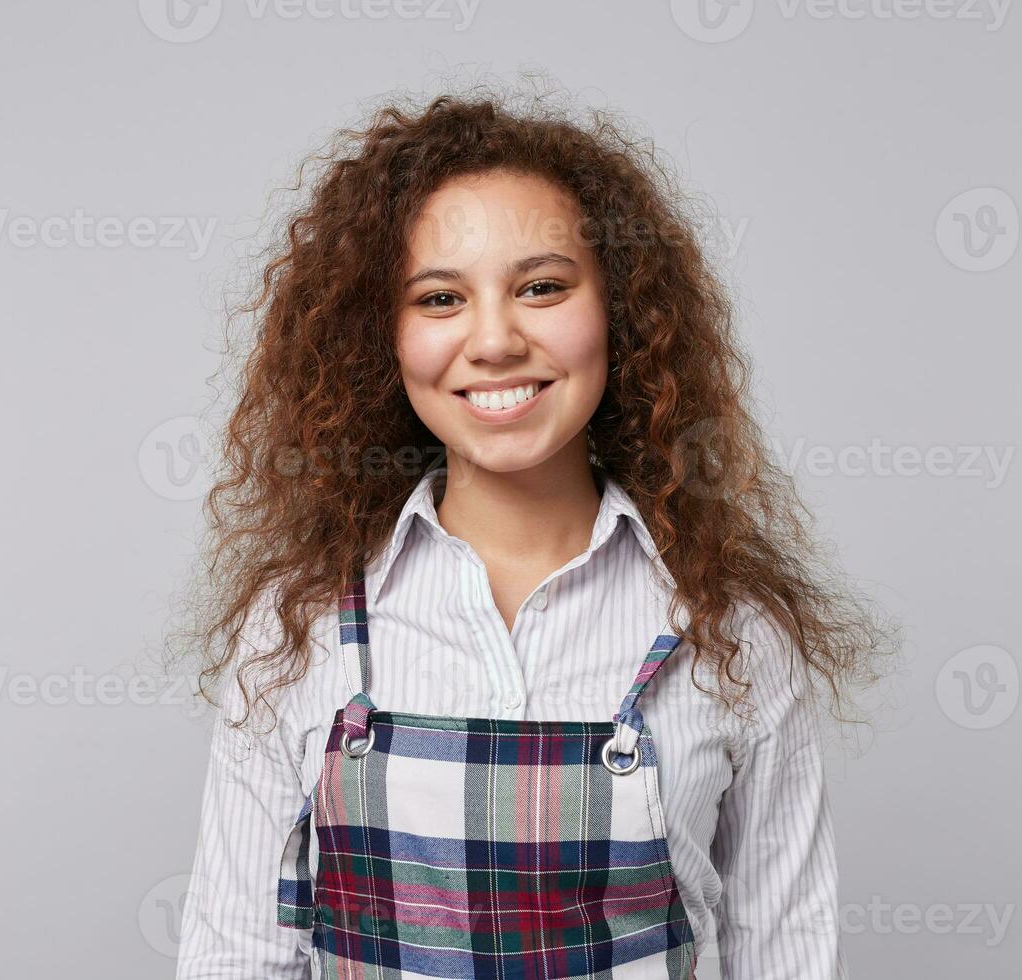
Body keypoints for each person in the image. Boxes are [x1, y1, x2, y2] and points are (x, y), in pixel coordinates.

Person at [174, 88, 889, 979]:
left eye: (542, 287)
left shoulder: (734, 631)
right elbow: (237, 954)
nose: (495, 340)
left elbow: (785, 953)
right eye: (440, 299)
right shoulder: (298, 628)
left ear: (619, 308)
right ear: (381, 339)